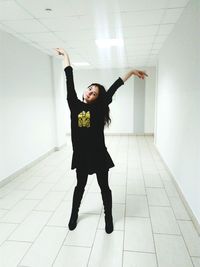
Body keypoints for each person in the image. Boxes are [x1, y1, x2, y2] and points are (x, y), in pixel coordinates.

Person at [54, 48, 148, 234]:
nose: (90, 93)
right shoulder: (74, 104)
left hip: (98, 155)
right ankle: (74, 214)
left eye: (94, 93)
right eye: (89, 89)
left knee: (104, 187)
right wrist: (66, 56)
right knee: (79, 186)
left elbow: (115, 85)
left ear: (99, 98)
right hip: (81, 156)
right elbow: (69, 77)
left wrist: (130, 72)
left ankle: (108, 216)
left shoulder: (99, 108)